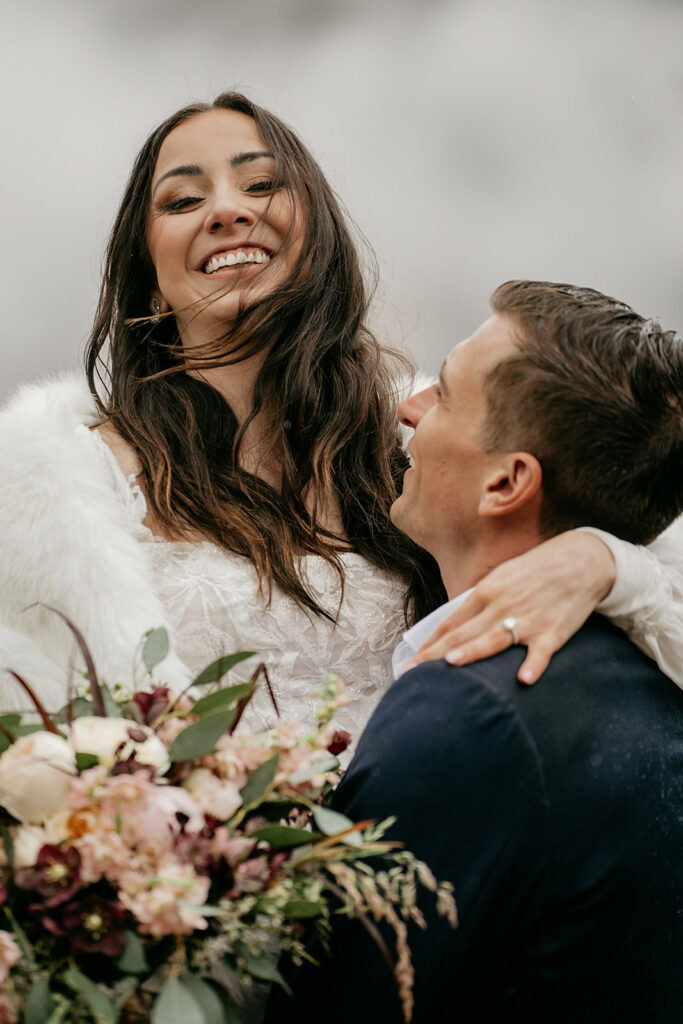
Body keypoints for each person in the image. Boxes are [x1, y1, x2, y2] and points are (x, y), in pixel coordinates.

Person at [0, 91, 681, 738]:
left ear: (317, 237)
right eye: (182, 199)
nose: (229, 210)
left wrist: (602, 562)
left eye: (262, 184)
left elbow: (646, 551)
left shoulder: (431, 431)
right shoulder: (55, 489)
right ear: (147, 280)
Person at [273, 281, 683, 1023]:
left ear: (506, 481)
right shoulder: (648, 676)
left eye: (448, 395)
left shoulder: (466, 709)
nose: (408, 406)